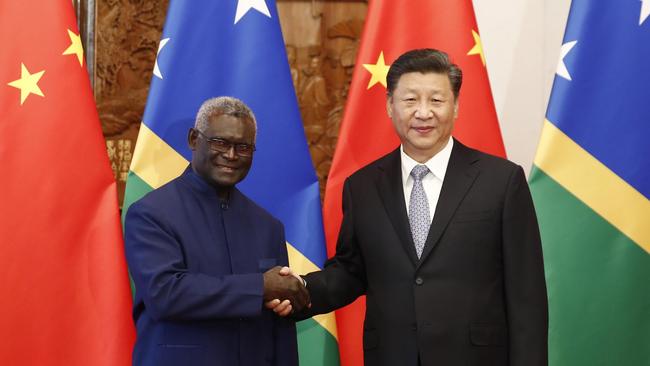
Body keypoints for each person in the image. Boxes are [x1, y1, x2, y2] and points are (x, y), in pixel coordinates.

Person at [270, 49, 548, 366]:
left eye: (437, 100)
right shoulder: (362, 186)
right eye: (411, 100)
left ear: (455, 106)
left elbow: (527, 296)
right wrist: (300, 290)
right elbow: (351, 271)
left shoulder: (502, 181)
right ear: (390, 106)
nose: (424, 113)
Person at [124, 96, 309, 366]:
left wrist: (284, 297)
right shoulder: (151, 213)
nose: (231, 155)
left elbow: (278, 325)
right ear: (193, 139)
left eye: (243, 147)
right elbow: (165, 294)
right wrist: (260, 287)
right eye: (220, 142)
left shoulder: (268, 226)